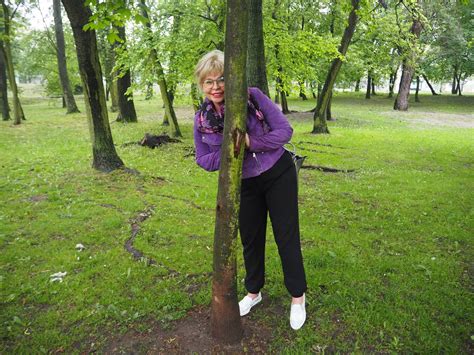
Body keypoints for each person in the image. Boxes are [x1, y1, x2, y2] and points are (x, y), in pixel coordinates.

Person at [193, 50, 307, 330]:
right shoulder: (202, 119)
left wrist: (251, 142)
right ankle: (254, 292)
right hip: (244, 184)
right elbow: (204, 160)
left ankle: (297, 297)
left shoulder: (253, 96)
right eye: (209, 81)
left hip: (278, 174)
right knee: (251, 239)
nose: (216, 87)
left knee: (286, 236)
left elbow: (284, 132)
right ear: (201, 85)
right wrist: (233, 147)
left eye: (221, 79)